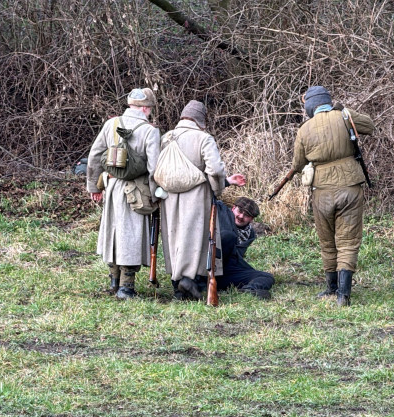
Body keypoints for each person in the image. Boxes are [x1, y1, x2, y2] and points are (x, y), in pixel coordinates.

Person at [278, 86, 373, 306]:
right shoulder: (344, 116)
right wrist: (345, 112)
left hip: (321, 191)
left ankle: (331, 288)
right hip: (350, 186)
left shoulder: (305, 129)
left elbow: (298, 164)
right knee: (348, 241)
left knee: (327, 241)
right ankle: (343, 295)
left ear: (309, 106)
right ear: (329, 101)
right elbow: (369, 125)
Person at [157, 100, 246, 301]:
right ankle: (190, 280)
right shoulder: (203, 138)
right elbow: (214, 170)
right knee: (196, 237)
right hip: (197, 195)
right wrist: (218, 189)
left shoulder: (166, 138)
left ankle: (177, 285)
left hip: (169, 197)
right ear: (201, 120)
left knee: (174, 236)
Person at [86, 87, 161, 299]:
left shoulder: (111, 124)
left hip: (111, 188)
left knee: (113, 233)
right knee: (132, 236)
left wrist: (94, 187)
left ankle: (113, 283)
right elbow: (155, 169)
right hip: (137, 191)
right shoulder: (150, 131)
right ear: (146, 109)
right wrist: (156, 196)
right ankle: (127, 287)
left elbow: (94, 156)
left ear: (131, 105)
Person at [212, 196, 275, 300]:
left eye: (247, 215)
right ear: (233, 208)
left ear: (251, 219)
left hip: (228, 271)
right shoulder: (220, 213)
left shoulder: (250, 234)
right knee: (228, 236)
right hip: (206, 268)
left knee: (266, 277)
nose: (241, 216)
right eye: (240, 211)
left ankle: (250, 290)